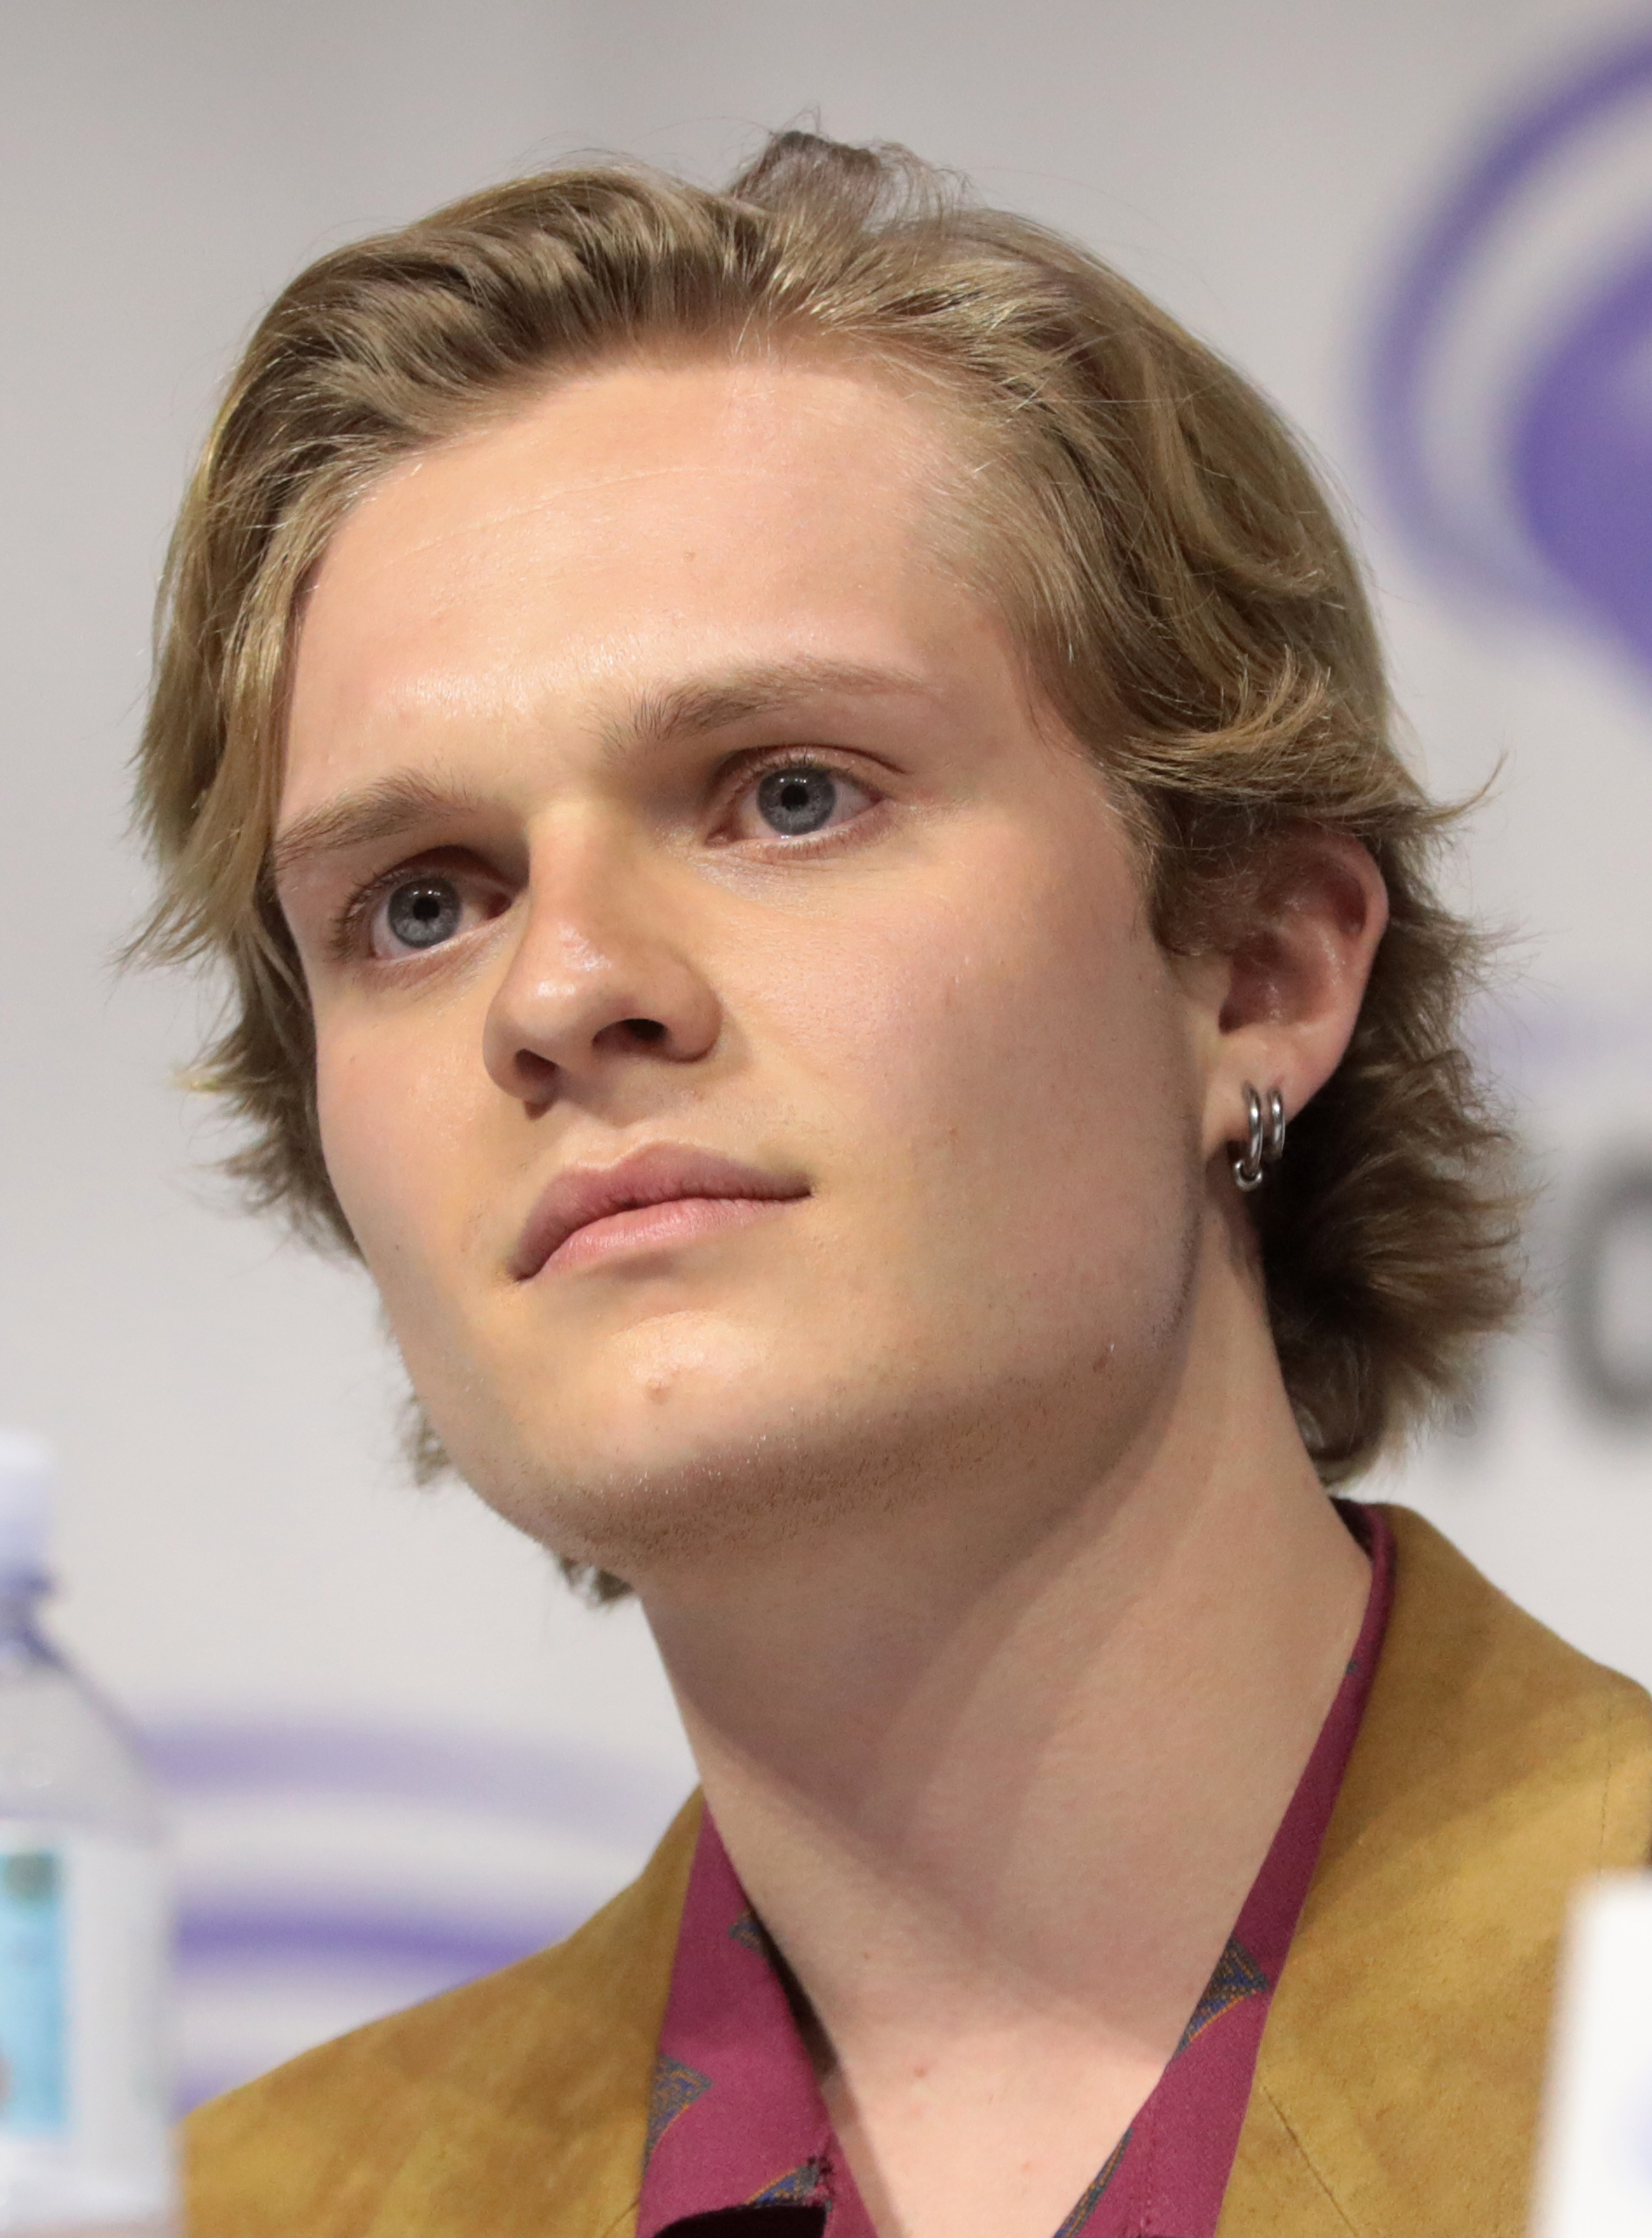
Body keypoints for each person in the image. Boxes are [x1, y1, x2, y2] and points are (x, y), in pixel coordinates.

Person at [138, 130, 1652, 2238]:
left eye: (785, 793)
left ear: (1257, 971)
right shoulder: (241, 2212)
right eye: (418, 905)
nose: (563, 988)